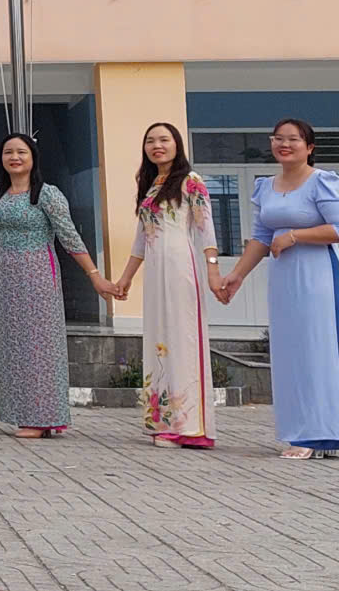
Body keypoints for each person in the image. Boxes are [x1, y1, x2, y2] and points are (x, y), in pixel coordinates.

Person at [217, 117, 339, 460]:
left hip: (318, 275)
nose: (284, 144)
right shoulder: (266, 187)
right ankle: (302, 431)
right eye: (278, 138)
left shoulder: (322, 182)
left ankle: (318, 435)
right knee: (290, 354)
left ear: (309, 147)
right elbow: (261, 237)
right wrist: (237, 275)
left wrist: (296, 236)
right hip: (283, 277)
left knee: (317, 350)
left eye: (293, 139)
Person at [0, 133, 118, 439]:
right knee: (14, 346)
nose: (14, 157)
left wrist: (94, 275)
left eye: (21, 152)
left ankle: (42, 417)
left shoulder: (47, 194)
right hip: (7, 279)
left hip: (39, 275)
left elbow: (69, 236)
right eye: (8, 152)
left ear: (33, 157)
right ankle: (23, 413)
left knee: (40, 346)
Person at [111, 122, 221, 449]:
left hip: (180, 266)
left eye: (164, 140)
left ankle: (190, 427)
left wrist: (212, 270)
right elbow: (141, 238)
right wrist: (126, 278)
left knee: (183, 340)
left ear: (177, 144)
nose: (156, 145)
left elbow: (206, 229)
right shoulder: (151, 185)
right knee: (160, 341)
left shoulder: (191, 181)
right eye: (150, 141)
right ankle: (164, 421)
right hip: (155, 271)